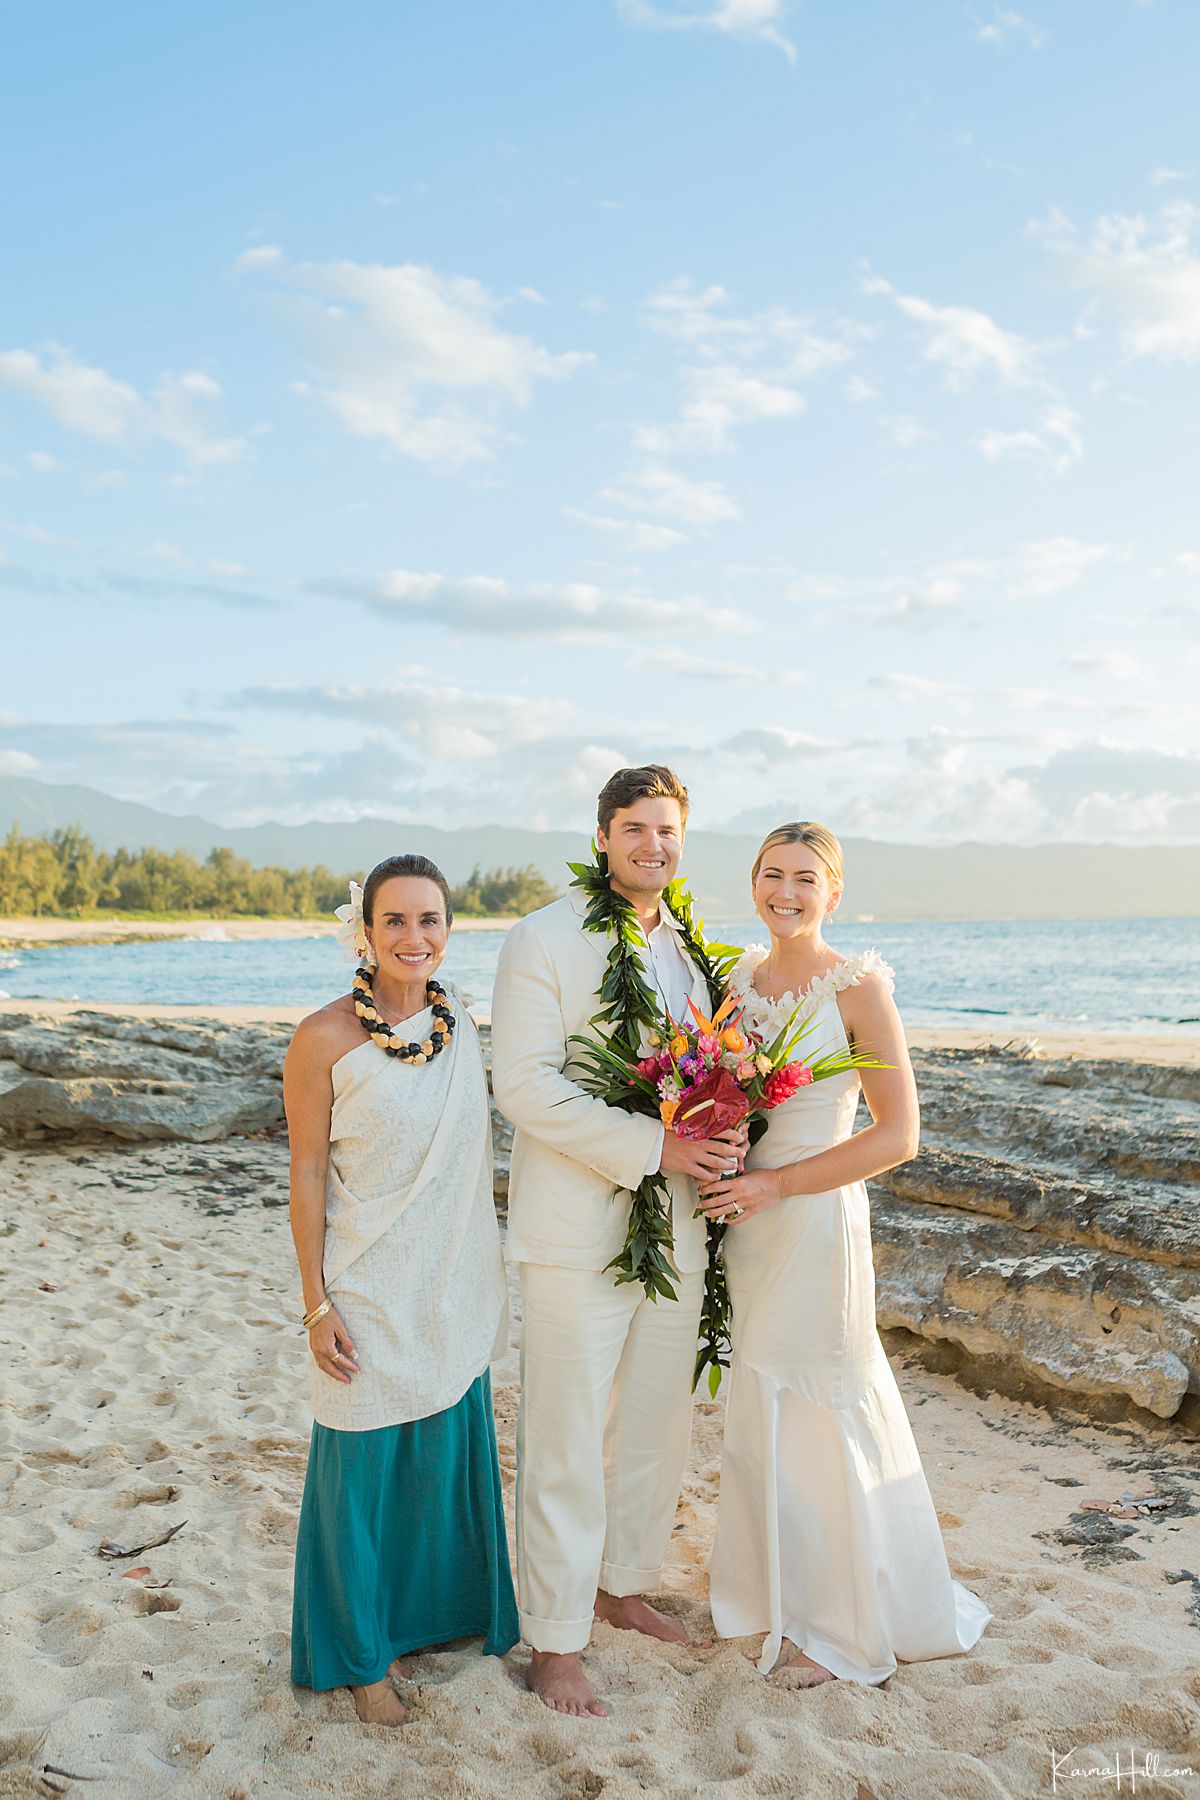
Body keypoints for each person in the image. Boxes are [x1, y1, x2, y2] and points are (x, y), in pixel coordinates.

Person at [699, 822, 991, 1687]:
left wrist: (778, 1187)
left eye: (803, 879)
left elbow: (899, 1135)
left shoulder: (860, 988)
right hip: (744, 1226)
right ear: (752, 883)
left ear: (832, 894)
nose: (785, 892)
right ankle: (771, 1600)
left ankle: (833, 1625)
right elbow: (714, 1095)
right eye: (770, 875)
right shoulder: (736, 982)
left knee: (820, 1399)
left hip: (813, 1221)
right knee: (762, 1403)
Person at [491, 764, 745, 1718]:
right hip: (574, 1228)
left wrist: (728, 1132)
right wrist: (658, 1144)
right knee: (563, 1436)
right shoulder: (542, 937)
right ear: (602, 836)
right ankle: (556, 1639)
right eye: (635, 828)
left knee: (654, 1420)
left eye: (668, 830)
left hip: (675, 1224)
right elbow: (521, 1083)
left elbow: (712, 1070)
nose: (653, 845)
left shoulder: (687, 950)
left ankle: (621, 1585)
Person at [285, 853, 518, 1726]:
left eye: (430, 921)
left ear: (448, 932)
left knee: (441, 1453)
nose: (413, 938)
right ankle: (360, 1659)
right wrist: (315, 1302)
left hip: (449, 1277)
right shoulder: (323, 1039)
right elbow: (308, 1173)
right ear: (366, 930)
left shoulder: (460, 1021)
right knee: (362, 1470)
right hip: (364, 1283)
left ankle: (442, 1620)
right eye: (395, 921)